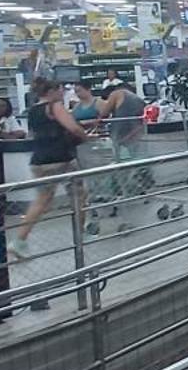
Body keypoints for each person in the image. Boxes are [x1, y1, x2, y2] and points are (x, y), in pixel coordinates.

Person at [10, 77, 93, 266]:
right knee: (79, 195)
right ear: (52, 91)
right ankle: (80, 234)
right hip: (61, 159)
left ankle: (20, 240)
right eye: (60, 89)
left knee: (42, 200)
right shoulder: (55, 106)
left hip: (39, 160)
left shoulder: (32, 111)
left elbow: (34, 134)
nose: (63, 93)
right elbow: (72, 127)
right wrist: (85, 136)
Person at [94, 77, 148, 234]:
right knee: (132, 166)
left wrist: (96, 124)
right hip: (134, 136)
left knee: (118, 167)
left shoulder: (117, 93)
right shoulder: (139, 100)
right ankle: (133, 191)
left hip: (118, 136)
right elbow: (141, 123)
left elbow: (103, 114)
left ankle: (120, 194)